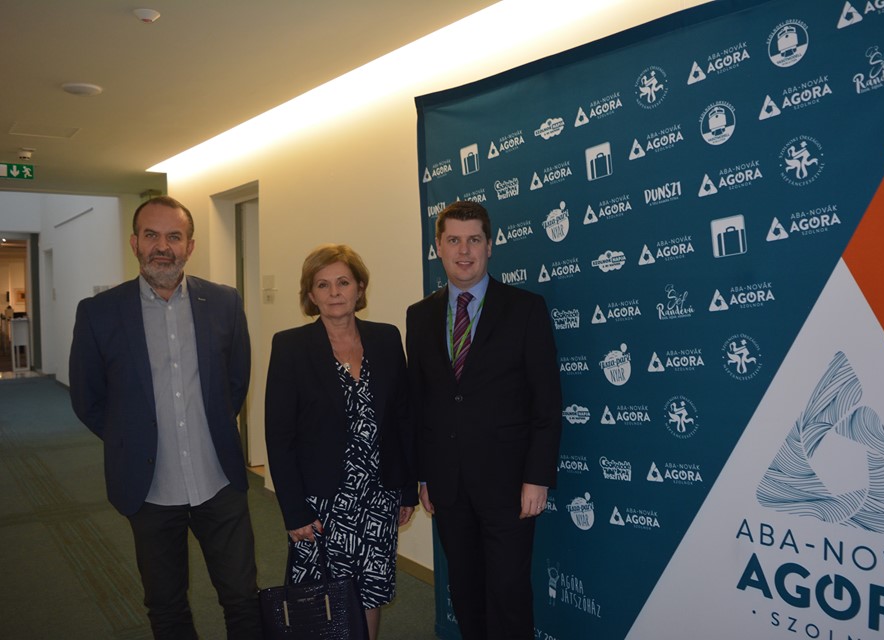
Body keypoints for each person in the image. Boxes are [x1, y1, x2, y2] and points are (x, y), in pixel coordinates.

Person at [68, 196, 260, 639]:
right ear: (134, 243)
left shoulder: (225, 303)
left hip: (218, 481)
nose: (162, 246)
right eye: (151, 235)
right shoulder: (99, 312)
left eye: (174, 236)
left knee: (243, 599)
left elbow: (235, 382)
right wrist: (130, 438)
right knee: (167, 607)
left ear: (190, 246)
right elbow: (88, 398)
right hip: (149, 487)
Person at [406, 201, 563, 639]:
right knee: (466, 592)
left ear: (489, 246)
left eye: (474, 240)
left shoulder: (525, 308)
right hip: (448, 485)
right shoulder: (419, 316)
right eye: (453, 240)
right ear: (438, 247)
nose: (464, 251)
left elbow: (546, 403)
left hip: (509, 486)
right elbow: (420, 402)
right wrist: (424, 475)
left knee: (509, 595)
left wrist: (537, 478)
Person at [265, 244, 417, 640]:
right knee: (320, 597)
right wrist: (293, 511)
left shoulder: (386, 338)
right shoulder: (290, 346)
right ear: (311, 295)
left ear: (360, 288)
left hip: (378, 496)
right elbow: (279, 435)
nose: (334, 292)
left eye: (343, 282)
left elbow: (402, 418)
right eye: (323, 284)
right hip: (321, 503)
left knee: (371, 590)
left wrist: (406, 488)